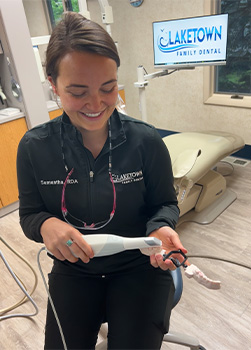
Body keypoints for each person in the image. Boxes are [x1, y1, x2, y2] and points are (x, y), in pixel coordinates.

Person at [17, 12, 187, 350]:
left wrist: (160, 227)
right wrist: (46, 225)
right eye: (78, 92)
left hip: (139, 267)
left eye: (108, 88)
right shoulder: (35, 148)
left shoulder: (146, 142)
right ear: (53, 84)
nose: (96, 104)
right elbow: (30, 214)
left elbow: (165, 203)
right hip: (74, 271)